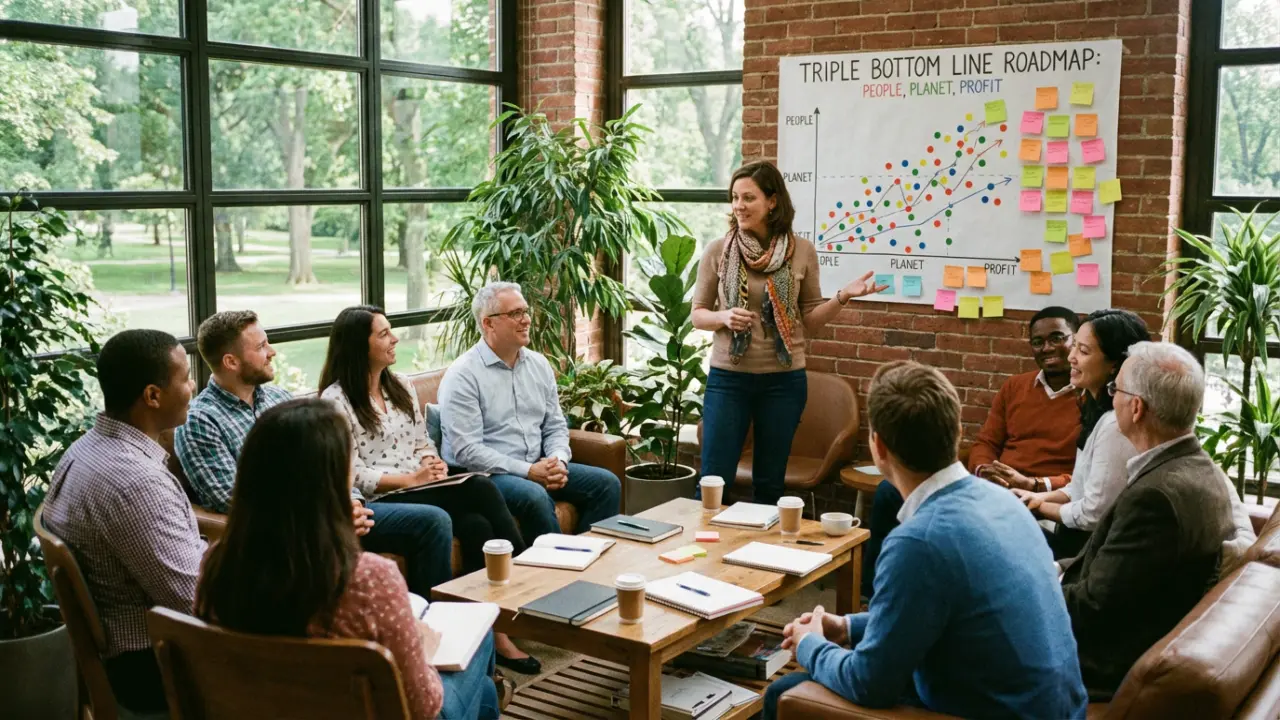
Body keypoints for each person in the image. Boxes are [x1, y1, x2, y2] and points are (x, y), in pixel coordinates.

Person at [762, 361, 1086, 720]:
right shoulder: (1004, 502)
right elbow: (939, 612)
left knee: (784, 692)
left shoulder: (918, 543)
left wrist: (810, 645)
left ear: (879, 448)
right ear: (958, 431)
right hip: (1054, 707)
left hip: (998, 711)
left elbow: (869, 684)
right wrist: (847, 626)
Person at [195, 398, 500, 719]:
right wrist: (423, 652)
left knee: (485, 694)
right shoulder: (366, 580)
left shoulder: (216, 564)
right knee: (480, 635)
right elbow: (422, 706)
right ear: (328, 482)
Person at [174, 310, 455, 597]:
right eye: (260, 347)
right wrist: (330, 512)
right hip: (293, 531)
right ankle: (434, 627)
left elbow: (332, 465)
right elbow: (230, 496)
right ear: (230, 361)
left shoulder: (279, 399)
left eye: (267, 342)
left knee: (462, 511)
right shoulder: (200, 420)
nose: (271, 352)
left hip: (334, 515)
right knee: (432, 521)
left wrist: (351, 502)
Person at [319, 305, 537, 674]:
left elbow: (422, 442)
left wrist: (432, 464)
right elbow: (348, 472)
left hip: (420, 486)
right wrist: (407, 480)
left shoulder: (400, 385)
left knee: (477, 528)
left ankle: (490, 636)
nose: (395, 338)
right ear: (360, 344)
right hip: (381, 499)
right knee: (479, 488)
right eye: (384, 334)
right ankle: (525, 582)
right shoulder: (335, 401)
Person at [691, 160, 888, 505]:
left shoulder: (802, 253)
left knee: (770, 486)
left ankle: (758, 557)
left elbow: (809, 321)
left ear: (772, 202)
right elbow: (697, 315)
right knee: (713, 482)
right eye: (734, 198)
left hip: (783, 382)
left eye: (748, 198)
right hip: (729, 378)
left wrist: (843, 297)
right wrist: (723, 316)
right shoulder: (718, 251)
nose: (738, 206)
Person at [861, 306, 1083, 597]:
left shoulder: (1089, 397)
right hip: (993, 488)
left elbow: (1085, 481)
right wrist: (984, 471)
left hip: (1038, 500)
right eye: (1038, 341)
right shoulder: (1016, 387)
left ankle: (933, 595)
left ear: (1076, 340)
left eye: (1057, 338)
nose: (1047, 348)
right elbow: (985, 443)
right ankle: (869, 592)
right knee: (889, 493)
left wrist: (1035, 485)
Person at [1060, 342, 1235, 696]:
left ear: (1136, 407)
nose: (1111, 399)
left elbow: (1092, 609)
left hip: (1098, 666)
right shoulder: (1200, 467)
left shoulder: (1154, 498)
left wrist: (1022, 588)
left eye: (1116, 389)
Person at [42, 329, 202, 714]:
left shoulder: (84, 450)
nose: (194, 386)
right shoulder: (135, 482)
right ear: (152, 396)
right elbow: (196, 600)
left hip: (131, 651)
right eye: (185, 377)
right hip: (153, 667)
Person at [439, 282, 621, 541]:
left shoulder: (538, 364)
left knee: (606, 485)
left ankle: (589, 564)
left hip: (538, 464)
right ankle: (557, 574)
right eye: (515, 314)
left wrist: (558, 460)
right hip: (487, 476)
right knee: (533, 495)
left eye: (525, 311)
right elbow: (467, 451)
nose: (526, 320)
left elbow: (555, 425)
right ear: (488, 323)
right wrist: (528, 471)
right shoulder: (463, 375)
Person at [1014, 309, 1149, 559]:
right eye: (1074, 346)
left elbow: (1091, 515)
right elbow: (1081, 486)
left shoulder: (1115, 425)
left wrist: (1041, 507)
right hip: (1074, 536)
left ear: (1114, 366)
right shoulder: (1093, 407)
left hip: (1088, 552)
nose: (1072, 357)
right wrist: (1036, 496)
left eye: (1084, 351)